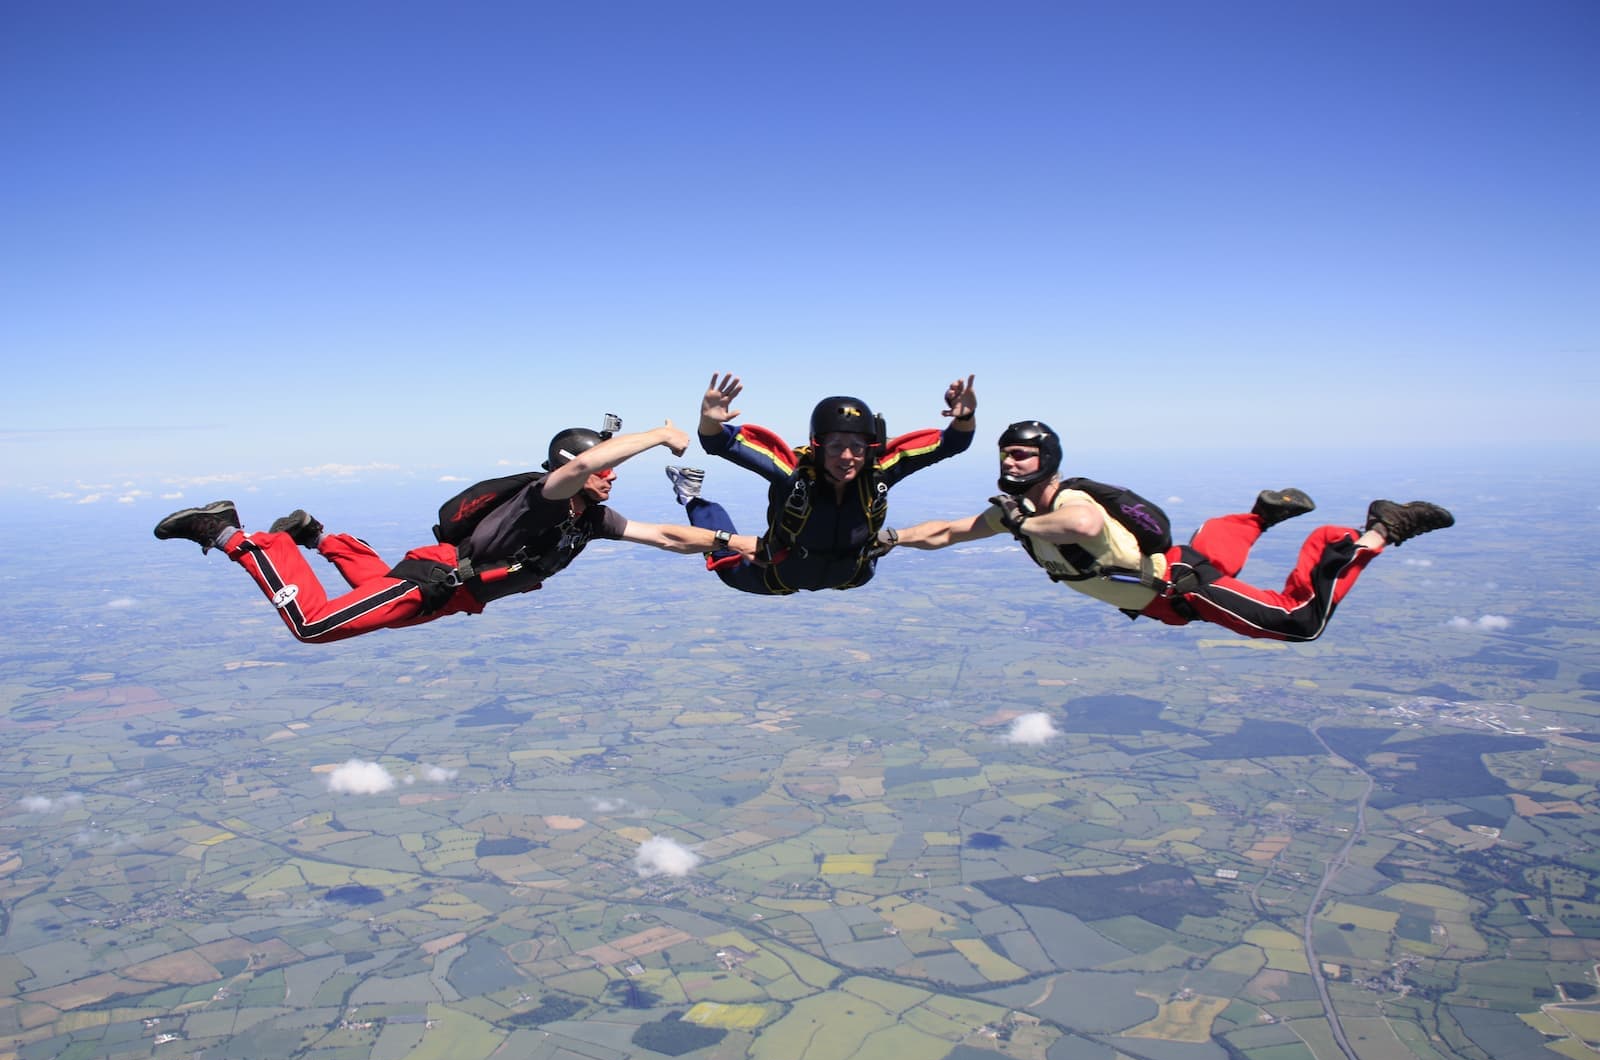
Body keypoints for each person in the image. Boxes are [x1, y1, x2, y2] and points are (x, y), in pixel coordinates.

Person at [153, 420, 759, 643]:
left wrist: (746, 545)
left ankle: (316, 534)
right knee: (314, 625)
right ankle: (235, 535)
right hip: (434, 581)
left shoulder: (589, 520)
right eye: (606, 471)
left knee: (382, 593)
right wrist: (656, 435)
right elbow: (578, 469)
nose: (610, 482)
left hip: (452, 594)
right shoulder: (546, 498)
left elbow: (667, 537)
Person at [881, 420, 1455, 642]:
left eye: (1024, 456)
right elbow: (948, 532)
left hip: (1177, 586)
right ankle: (1261, 513)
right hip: (1164, 593)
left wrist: (1023, 519)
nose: (1012, 463)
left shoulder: (1066, 500)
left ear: (1048, 461)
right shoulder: (1014, 513)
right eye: (1007, 454)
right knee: (1211, 558)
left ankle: (1376, 531)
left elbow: (1080, 523)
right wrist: (889, 539)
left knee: (1298, 623)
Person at [663, 372, 977, 595]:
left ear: (869, 448)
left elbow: (952, 443)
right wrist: (710, 420)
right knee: (727, 565)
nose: (847, 456)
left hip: (852, 573)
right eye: (835, 445)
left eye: (856, 446)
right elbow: (719, 443)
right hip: (778, 573)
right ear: (817, 446)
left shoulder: (880, 470)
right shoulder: (795, 472)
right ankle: (692, 497)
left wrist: (965, 417)